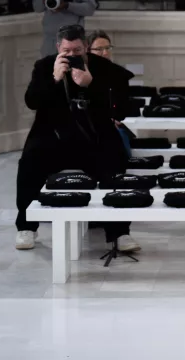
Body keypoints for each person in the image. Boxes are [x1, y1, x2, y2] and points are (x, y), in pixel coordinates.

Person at [15, 24, 138, 254]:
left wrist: (90, 85)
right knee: (29, 161)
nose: (72, 56)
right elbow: (32, 101)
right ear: (58, 48)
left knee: (115, 162)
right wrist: (54, 78)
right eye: (67, 51)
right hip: (53, 136)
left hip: (94, 137)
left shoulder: (106, 69)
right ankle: (26, 226)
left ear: (85, 48)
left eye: (77, 51)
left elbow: (121, 110)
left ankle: (119, 232)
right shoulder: (44, 67)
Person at [86, 31, 135, 157]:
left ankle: (124, 173)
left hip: (113, 125)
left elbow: (123, 108)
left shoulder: (120, 75)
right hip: (88, 125)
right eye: (99, 49)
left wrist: (115, 118)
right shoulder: (82, 74)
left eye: (108, 48)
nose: (105, 53)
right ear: (88, 51)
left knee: (116, 136)